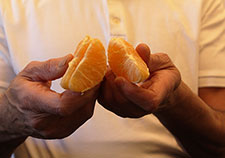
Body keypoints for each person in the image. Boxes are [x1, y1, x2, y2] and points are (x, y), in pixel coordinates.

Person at [0, 0, 225, 158]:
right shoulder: (8, 6)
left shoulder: (207, 3)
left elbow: (219, 146)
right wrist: (12, 116)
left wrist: (175, 101)